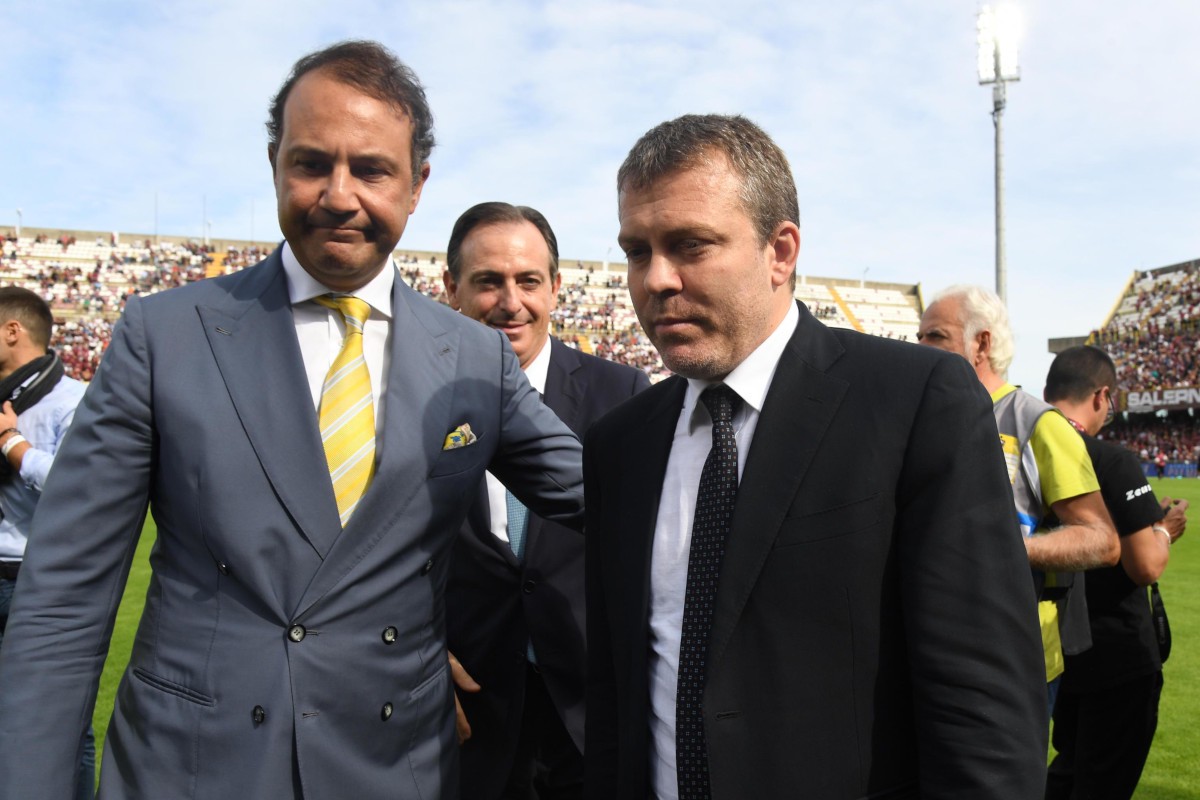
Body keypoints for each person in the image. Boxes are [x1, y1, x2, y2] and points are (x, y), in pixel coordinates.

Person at [0, 40, 583, 799]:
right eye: (311, 163)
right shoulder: (162, 334)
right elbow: (65, 596)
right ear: (275, 163)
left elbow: (606, 492)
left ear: (417, 185)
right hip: (196, 769)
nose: (339, 195)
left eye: (371, 169)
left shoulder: (474, 356)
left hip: (392, 767)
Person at [584, 114, 1047, 800]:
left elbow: (983, 707)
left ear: (780, 251)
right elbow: (617, 696)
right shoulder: (619, 444)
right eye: (636, 251)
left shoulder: (914, 401)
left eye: (689, 245)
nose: (655, 279)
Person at [442, 202, 649, 799]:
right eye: (488, 281)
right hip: (467, 712)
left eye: (529, 281)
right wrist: (415, 659)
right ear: (451, 288)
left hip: (589, 713)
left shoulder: (623, 392)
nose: (511, 302)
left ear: (556, 288)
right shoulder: (413, 399)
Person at [918, 286, 1120, 713]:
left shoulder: (1037, 423)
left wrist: (1011, 549)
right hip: (927, 646)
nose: (920, 347)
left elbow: (1102, 539)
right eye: (919, 336)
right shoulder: (922, 417)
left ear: (981, 344)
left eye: (935, 336)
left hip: (1011, 658)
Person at [1043, 345, 1187, 800]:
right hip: (1116, 655)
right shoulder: (1111, 459)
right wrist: (1162, 530)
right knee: (1100, 782)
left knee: (1067, 770)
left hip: (1056, 651)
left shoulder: (1026, 452)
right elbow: (1145, 565)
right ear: (1102, 396)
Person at [0, 288, 92, 800]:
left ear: (13, 331)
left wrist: (13, 445)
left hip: (38, 582)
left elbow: (79, 487)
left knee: (62, 719)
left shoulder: (74, 399)